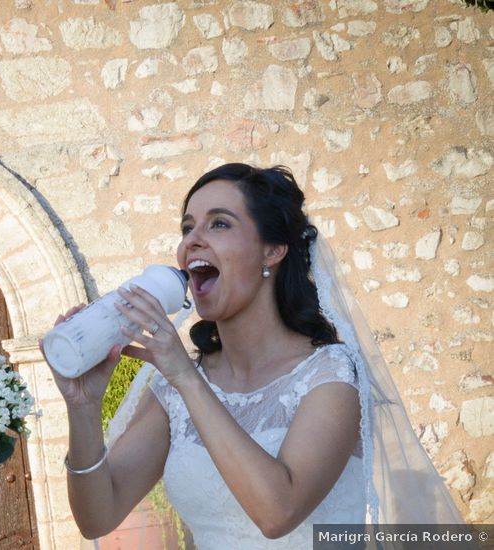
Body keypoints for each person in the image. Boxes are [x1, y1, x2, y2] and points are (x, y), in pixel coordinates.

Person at [46, 163, 462, 548]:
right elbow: (97, 517)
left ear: (273, 250)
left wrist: (186, 379)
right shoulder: (174, 389)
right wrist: (82, 407)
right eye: (188, 227)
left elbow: (277, 513)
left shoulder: (330, 375)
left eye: (219, 224)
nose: (192, 240)